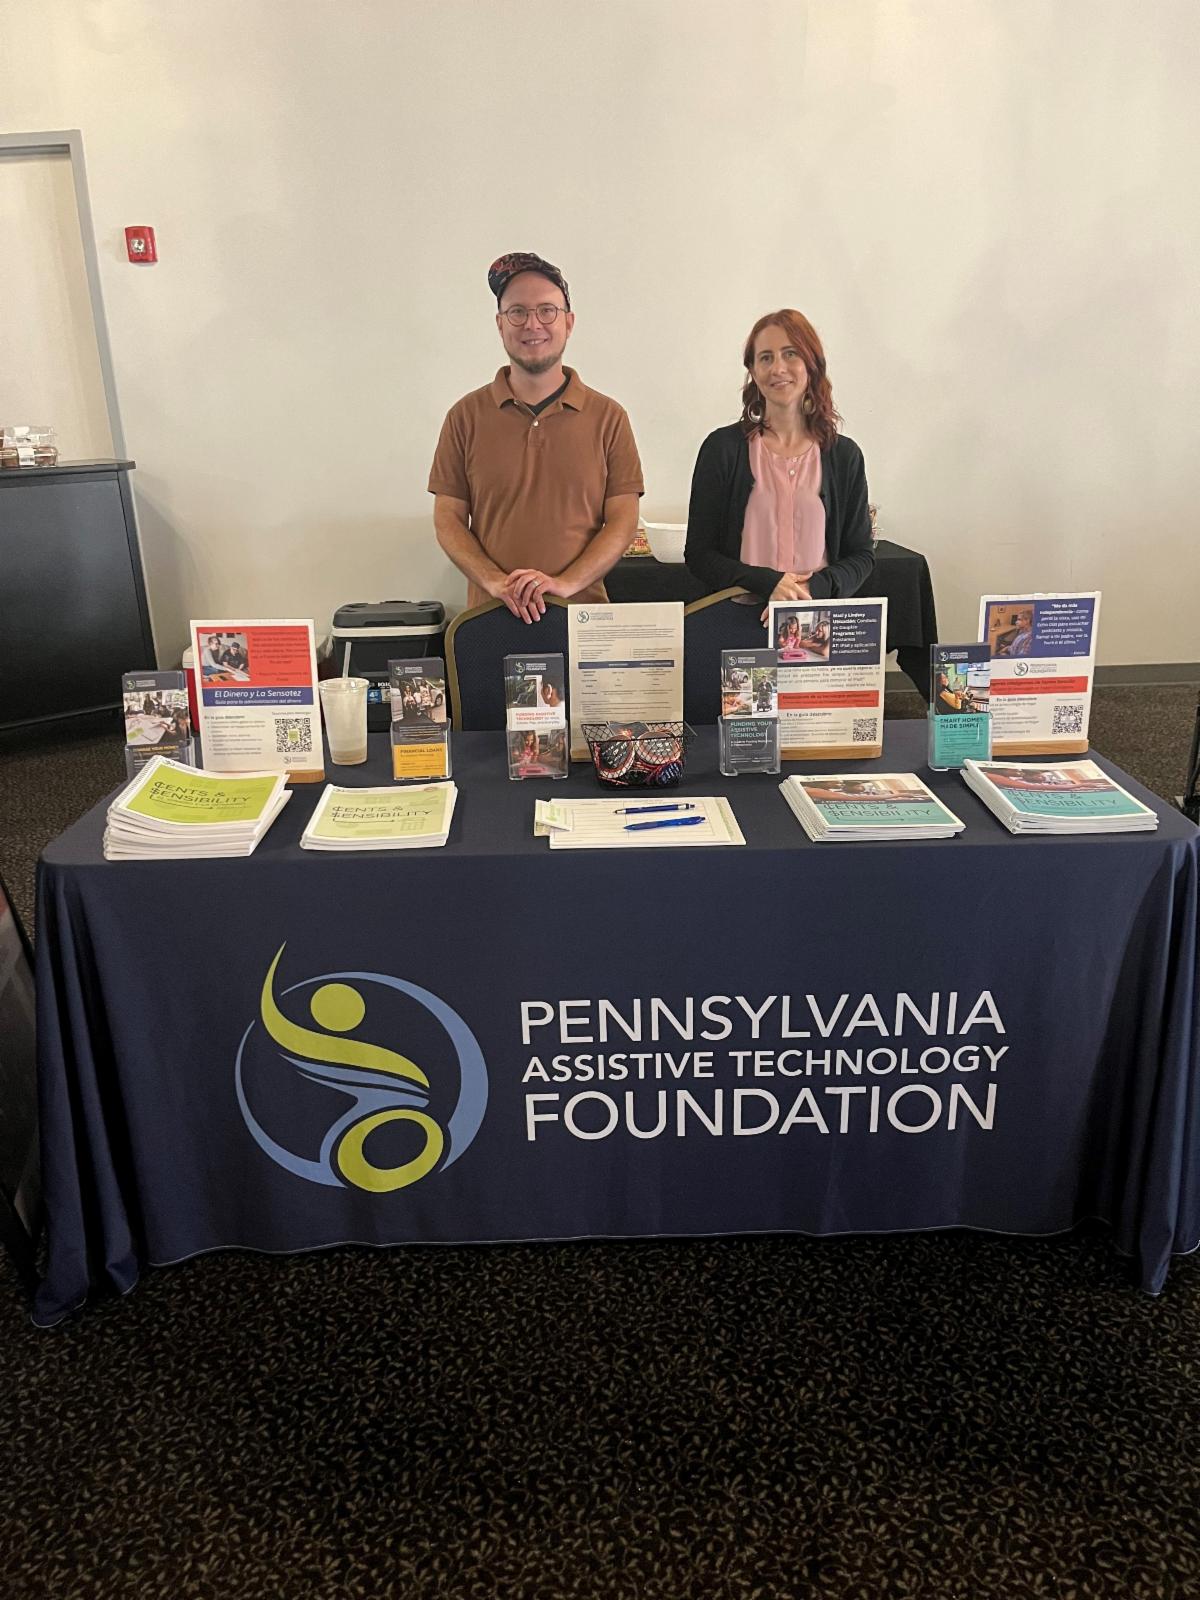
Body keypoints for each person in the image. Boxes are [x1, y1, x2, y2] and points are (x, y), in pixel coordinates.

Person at [429, 252, 644, 623]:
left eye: (547, 310)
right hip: (490, 621)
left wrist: (564, 583)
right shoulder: (464, 417)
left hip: (583, 623)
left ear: (569, 322)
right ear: (500, 324)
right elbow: (448, 519)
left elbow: (623, 521)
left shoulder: (609, 418)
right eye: (517, 312)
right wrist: (496, 582)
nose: (533, 324)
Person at [685, 309, 875, 622]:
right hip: (736, 621)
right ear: (753, 370)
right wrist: (767, 583)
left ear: (811, 365)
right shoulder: (722, 449)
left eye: (790, 354)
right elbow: (699, 554)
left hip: (816, 625)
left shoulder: (844, 456)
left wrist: (812, 589)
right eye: (766, 357)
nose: (778, 368)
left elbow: (862, 556)